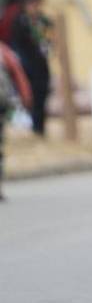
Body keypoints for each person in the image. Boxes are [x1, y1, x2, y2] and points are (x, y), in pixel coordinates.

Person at [10, 0, 50, 136]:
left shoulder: (44, 21)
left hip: (41, 64)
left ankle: (39, 127)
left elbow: (49, 39)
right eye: (32, 4)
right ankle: (33, 125)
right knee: (29, 96)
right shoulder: (20, 21)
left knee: (42, 94)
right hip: (26, 64)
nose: (35, 7)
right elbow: (18, 44)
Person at [0, 40, 30, 201]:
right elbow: (18, 74)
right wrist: (25, 96)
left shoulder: (4, 51)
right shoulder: (4, 51)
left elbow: (17, 73)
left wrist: (25, 95)